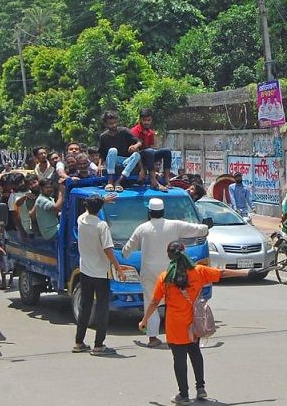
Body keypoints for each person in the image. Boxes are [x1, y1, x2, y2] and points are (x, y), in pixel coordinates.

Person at [139, 241, 261, 405]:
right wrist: (246, 272)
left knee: (179, 359)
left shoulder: (165, 277)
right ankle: (200, 388)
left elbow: (154, 302)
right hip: (193, 323)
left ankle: (183, 395)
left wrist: (144, 320)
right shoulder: (199, 271)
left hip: (174, 325)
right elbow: (222, 273)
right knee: (195, 353)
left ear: (169, 256)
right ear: (185, 253)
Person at [122, 198, 209, 347]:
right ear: (163, 212)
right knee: (175, 304)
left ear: (149, 212)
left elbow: (128, 248)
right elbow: (196, 229)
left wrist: (124, 255)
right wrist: (207, 228)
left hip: (149, 273)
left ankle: (153, 338)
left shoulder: (142, 228)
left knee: (151, 303)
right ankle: (178, 334)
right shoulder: (174, 225)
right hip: (172, 271)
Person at [74, 194, 123, 356]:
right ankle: (98, 344)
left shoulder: (81, 221)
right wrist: (118, 268)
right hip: (101, 272)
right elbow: (108, 249)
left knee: (85, 306)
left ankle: (79, 342)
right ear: (100, 208)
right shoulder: (102, 226)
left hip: (85, 270)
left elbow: (88, 210)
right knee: (102, 307)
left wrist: (101, 200)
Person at [130, 108, 173, 191]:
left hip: (148, 156)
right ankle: (154, 181)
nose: (146, 122)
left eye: (148, 120)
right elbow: (135, 152)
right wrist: (142, 169)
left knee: (167, 151)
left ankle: (167, 180)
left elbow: (151, 148)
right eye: (144, 120)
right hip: (137, 158)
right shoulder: (134, 131)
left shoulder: (150, 132)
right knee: (149, 151)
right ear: (140, 120)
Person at [98, 111, 141, 193]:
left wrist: (135, 146)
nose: (114, 125)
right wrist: (99, 165)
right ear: (106, 124)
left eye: (115, 122)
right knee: (113, 150)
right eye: (111, 123)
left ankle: (119, 181)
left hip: (125, 160)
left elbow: (139, 142)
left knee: (136, 155)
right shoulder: (103, 136)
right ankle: (110, 182)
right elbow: (102, 153)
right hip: (111, 160)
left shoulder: (124, 131)